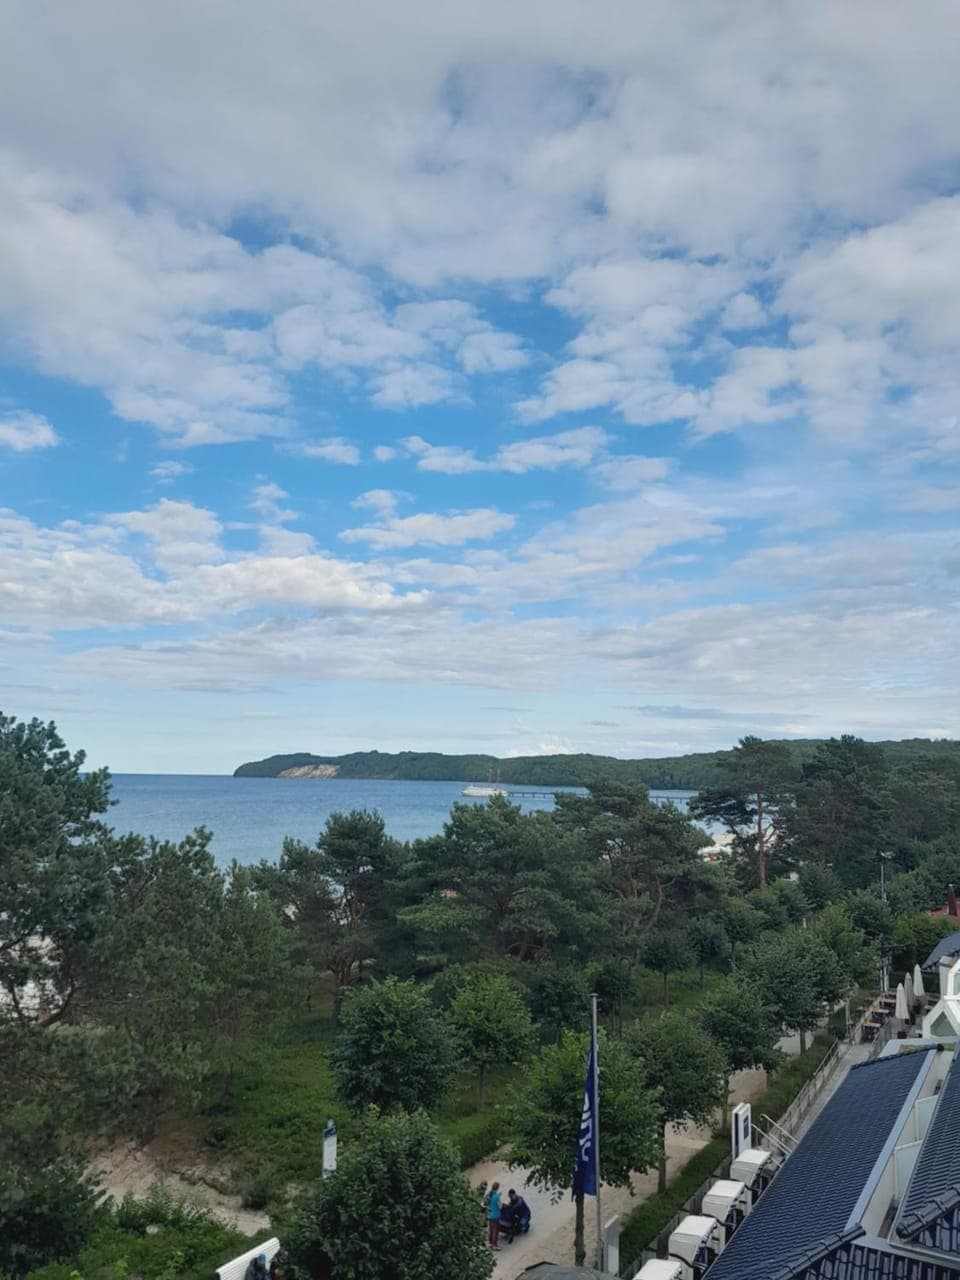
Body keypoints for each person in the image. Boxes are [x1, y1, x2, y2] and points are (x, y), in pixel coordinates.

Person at [485, 1180, 501, 1250]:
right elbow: (499, 1206)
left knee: (491, 1230)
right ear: (497, 1188)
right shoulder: (496, 1196)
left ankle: (491, 1243)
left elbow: (487, 1201)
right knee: (495, 1231)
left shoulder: (489, 1194)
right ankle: (495, 1245)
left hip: (489, 1215)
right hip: (495, 1216)